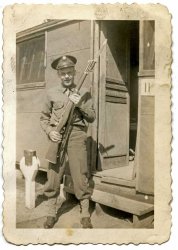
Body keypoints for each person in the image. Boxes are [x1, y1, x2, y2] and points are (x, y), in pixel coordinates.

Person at [40, 55, 95, 229]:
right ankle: (50, 212)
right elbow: (43, 118)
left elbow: (92, 117)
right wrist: (50, 132)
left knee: (80, 173)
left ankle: (85, 213)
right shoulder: (51, 93)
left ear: (74, 72)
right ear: (58, 74)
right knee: (54, 174)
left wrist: (80, 104)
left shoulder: (84, 91)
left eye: (69, 73)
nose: (67, 76)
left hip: (77, 135)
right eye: (63, 73)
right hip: (58, 135)